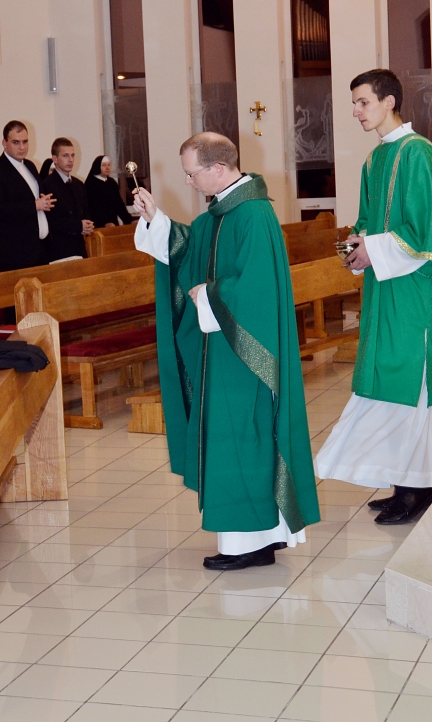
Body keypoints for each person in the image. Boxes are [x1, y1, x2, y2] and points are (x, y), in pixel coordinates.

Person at [134, 132, 319, 569]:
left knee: (242, 437)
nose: (189, 182)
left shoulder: (253, 214)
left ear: (218, 168)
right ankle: (260, 537)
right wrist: (155, 218)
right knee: (233, 438)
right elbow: (187, 250)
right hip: (222, 348)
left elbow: (256, 289)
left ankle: (250, 544)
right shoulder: (219, 214)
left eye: (192, 173)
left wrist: (208, 295)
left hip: (245, 355)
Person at [316, 69, 432, 524]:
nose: (355, 111)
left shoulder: (419, 153)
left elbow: (425, 231)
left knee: (413, 383)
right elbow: (368, 220)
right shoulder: (374, 159)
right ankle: (405, 481)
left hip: (415, 292)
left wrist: (376, 249)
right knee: (387, 382)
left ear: (389, 101)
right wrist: (356, 247)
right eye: (354, 103)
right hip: (385, 288)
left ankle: (419, 486)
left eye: (363, 102)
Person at [0, 120, 55, 271]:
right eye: (16, 142)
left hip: (38, 248)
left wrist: (44, 201)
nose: (22, 147)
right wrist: (34, 206)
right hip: (14, 252)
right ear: (4, 143)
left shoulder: (30, 165)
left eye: (25, 142)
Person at [42, 137, 94, 261]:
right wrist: (79, 226)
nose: (70, 160)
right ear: (55, 159)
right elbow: (52, 219)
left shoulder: (78, 184)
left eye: (72, 155)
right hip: (59, 248)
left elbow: (85, 210)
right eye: (65, 155)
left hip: (79, 246)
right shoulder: (47, 185)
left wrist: (88, 224)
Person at [85, 155, 133, 228]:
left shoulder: (111, 182)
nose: (107, 168)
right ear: (98, 166)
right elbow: (92, 208)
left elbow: (119, 204)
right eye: (104, 165)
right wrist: (104, 223)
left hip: (113, 224)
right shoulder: (90, 184)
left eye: (109, 165)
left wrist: (129, 220)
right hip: (97, 226)